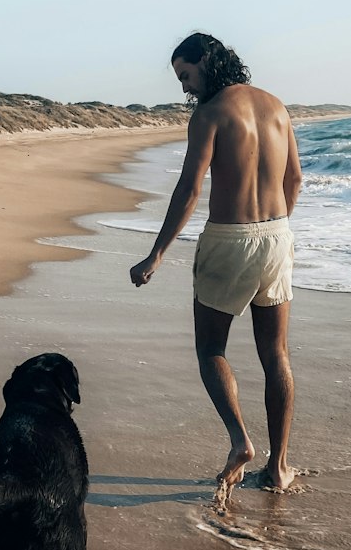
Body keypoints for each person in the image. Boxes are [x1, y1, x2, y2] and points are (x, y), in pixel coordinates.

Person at [129, 32, 302, 504]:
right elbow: (295, 179)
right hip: (278, 235)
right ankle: (279, 467)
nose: (185, 88)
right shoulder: (277, 106)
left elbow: (189, 190)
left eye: (187, 75)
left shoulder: (208, 114)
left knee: (211, 348)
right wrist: (275, 230)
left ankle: (240, 440)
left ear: (207, 62)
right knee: (276, 355)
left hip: (230, 239)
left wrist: (156, 254)